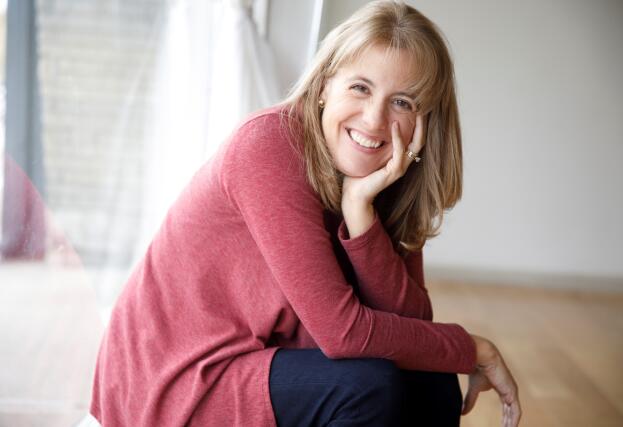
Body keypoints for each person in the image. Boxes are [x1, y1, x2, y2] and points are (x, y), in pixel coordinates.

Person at [90, 1, 521, 426]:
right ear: (324, 87)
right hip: (183, 377)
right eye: (360, 87)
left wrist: (361, 213)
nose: (374, 119)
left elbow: (412, 328)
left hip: (264, 359)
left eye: (403, 103)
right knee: (371, 388)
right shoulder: (269, 147)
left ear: (426, 121)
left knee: (432, 383)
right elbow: (342, 332)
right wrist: (475, 348)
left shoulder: (391, 179)